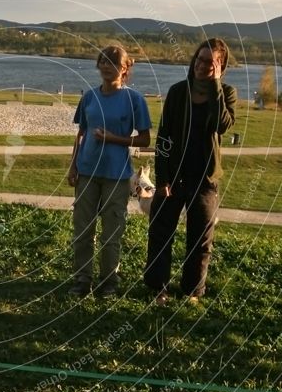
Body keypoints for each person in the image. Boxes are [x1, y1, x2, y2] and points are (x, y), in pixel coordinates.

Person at [144, 37, 236, 303]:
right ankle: (157, 287)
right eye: (200, 59)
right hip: (174, 176)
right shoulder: (177, 92)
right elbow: (163, 138)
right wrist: (162, 178)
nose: (202, 65)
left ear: (220, 66)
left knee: (200, 238)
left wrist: (216, 85)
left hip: (205, 179)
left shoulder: (226, 93)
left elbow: (222, 125)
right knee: (161, 234)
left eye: (210, 62)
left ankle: (192, 291)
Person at [67, 45, 152, 297]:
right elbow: (80, 133)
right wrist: (73, 165)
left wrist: (115, 139)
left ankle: (108, 283)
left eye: (113, 63)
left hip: (117, 175)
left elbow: (145, 140)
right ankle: (82, 280)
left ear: (125, 69)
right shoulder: (89, 97)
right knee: (83, 230)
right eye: (103, 61)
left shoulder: (134, 100)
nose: (106, 66)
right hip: (87, 173)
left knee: (111, 233)